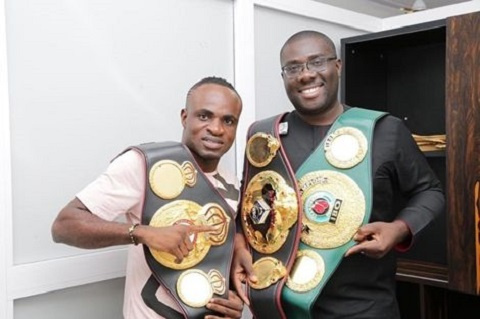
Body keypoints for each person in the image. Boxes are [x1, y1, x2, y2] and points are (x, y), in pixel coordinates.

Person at [231, 30, 445, 319]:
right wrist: (240, 243)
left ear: (338, 66)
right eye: (293, 67)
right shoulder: (263, 137)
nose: (306, 75)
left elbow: (430, 191)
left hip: (364, 307)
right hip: (280, 306)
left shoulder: (384, 130)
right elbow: (249, 207)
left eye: (317, 62)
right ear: (284, 77)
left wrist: (398, 229)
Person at [52, 76, 245, 319]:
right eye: (205, 116)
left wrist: (231, 306)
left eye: (228, 121)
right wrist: (143, 232)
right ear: (185, 117)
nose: (216, 128)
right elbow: (64, 225)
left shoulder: (231, 183)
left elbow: (213, 262)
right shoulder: (144, 165)